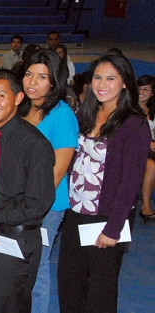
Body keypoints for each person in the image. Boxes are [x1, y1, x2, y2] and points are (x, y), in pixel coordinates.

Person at [58, 53, 151, 313]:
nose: (102, 84)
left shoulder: (134, 125)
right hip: (76, 213)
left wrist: (113, 228)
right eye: (98, 77)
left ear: (124, 83)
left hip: (107, 216)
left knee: (101, 290)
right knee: (70, 284)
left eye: (111, 78)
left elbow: (129, 182)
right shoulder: (86, 114)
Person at [0, 69, 55, 312]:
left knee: (7, 307)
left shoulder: (35, 144)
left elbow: (38, 202)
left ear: (17, 98)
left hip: (16, 240)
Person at [18, 50, 79, 313]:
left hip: (46, 207)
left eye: (42, 77)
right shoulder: (21, 107)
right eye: (29, 74)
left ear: (54, 82)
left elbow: (58, 170)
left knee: (37, 268)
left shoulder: (62, 115)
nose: (32, 82)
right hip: (17, 202)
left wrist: (31, 207)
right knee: (18, 267)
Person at [137, 75, 155, 222]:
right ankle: (145, 207)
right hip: (137, 147)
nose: (141, 92)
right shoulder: (129, 108)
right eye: (139, 88)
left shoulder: (153, 111)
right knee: (151, 166)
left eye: (146, 89)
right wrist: (148, 141)